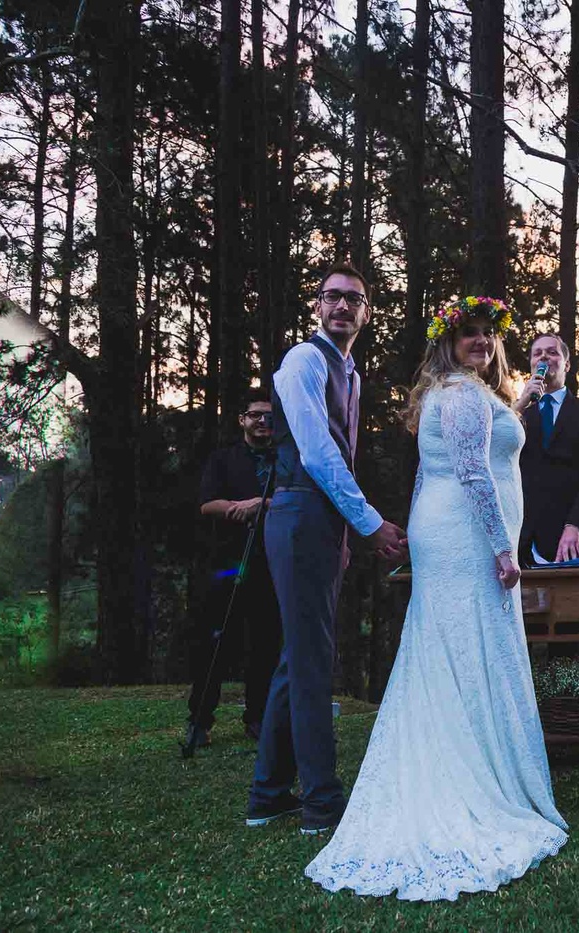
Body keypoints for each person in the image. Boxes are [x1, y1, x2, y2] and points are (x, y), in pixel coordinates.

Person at [306, 296, 567, 900]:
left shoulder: (464, 393)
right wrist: (502, 548)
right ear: (446, 342)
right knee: (466, 646)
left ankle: (472, 759)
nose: (480, 341)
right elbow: (473, 472)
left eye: (487, 333)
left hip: (447, 529)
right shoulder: (460, 394)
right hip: (466, 536)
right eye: (468, 333)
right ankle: (470, 779)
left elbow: (436, 470)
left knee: (454, 647)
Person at [245, 263, 407, 836]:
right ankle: (321, 803)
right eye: (332, 297)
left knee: (299, 655)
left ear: (367, 313)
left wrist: (347, 528)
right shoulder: (304, 361)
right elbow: (316, 453)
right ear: (317, 306)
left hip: (322, 521)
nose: (342, 306)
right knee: (312, 661)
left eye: (353, 299)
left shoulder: (351, 373)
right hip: (299, 513)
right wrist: (369, 523)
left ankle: (268, 794)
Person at [184, 390, 281, 749]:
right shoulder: (223, 459)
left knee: (266, 643)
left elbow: (296, 499)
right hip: (228, 563)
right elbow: (207, 504)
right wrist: (240, 507)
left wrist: (261, 503)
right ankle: (199, 720)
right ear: (242, 420)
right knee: (216, 642)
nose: (262, 421)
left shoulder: (286, 460)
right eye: (255, 415)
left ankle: (258, 718)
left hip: (273, 563)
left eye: (269, 416)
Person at [513, 333, 579, 566]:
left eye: (552, 352)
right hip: (519, 538)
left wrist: (575, 525)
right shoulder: (516, 416)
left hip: (566, 539)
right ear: (531, 364)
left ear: (566, 365)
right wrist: (520, 404)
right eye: (537, 353)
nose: (544, 357)